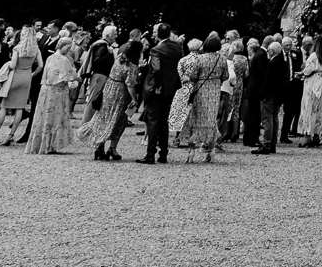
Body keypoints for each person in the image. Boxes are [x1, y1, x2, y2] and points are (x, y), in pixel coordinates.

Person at [79, 38, 141, 161]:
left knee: (103, 117)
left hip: (109, 88)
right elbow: (130, 84)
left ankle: (99, 146)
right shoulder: (132, 66)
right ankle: (113, 148)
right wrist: (134, 99)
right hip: (121, 93)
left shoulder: (119, 58)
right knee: (118, 120)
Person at [177, 34, 227, 163]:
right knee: (211, 120)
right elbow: (226, 76)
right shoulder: (222, 59)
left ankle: (191, 153)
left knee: (195, 119)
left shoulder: (200, 58)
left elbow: (193, 75)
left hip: (201, 90)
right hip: (215, 90)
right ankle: (211, 151)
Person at [140, 24, 184, 165]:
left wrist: (158, 85)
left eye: (154, 32)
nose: (152, 34)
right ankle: (163, 153)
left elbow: (156, 69)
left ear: (159, 34)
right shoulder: (178, 47)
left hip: (158, 88)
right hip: (171, 88)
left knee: (153, 120)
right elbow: (179, 65)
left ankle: (150, 153)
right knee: (164, 120)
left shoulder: (156, 49)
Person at [25, 39, 78, 155]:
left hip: (46, 90)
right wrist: (75, 81)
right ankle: (51, 144)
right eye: (69, 48)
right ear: (64, 47)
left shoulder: (50, 57)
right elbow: (67, 79)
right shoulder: (64, 60)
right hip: (58, 92)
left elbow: (47, 76)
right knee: (55, 117)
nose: (69, 50)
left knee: (44, 116)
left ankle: (42, 143)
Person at [0, 27, 41, 145]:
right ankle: (10, 136)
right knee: (20, 108)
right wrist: (32, 74)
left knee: (4, 106)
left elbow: (12, 65)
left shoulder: (17, 48)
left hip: (15, 76)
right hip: (27, 77)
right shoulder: (35, 49)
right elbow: (41, 65)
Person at [253, 35, 289, 155]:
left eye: (268, 50)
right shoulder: (283, 63)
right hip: (279, 96)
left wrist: (262, 95)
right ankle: (273, 143)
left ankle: (266, 144)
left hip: (270, 96)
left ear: (272, 51)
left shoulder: (272, 64)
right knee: (274, 119)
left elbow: (268, 82)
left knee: (267, 120)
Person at [296, 35, 322, 147]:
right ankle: (316, 134)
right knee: (319, 109)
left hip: (313, 82)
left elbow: (307, 71)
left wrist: (301, 73)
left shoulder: (314, 56)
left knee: (308, 109)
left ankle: (307, 135)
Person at [240, 37, 265, 147]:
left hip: (250, 89)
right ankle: (251, 138)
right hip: (252, 89)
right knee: (253, 115)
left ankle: (248, 137)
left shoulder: (253, 58)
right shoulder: (254, 59)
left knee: (251, 114)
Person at [282, 34, 304, 143]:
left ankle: (284, 134)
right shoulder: (279, 55)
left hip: (291, 86)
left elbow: (296, 67)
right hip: (282, 86)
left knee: (290, 111)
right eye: (286, 45)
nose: (288, 47)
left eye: (290, 45)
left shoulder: (294, 54)